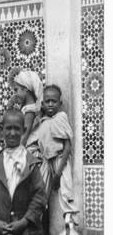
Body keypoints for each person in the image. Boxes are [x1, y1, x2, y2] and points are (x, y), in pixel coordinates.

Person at [33, 84, 79, 224]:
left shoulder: (61, 117)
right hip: (47, 162)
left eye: (54, 101)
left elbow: (67, 146)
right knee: (40, 191)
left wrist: (58, 173)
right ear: (43, 104)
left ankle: (70, 224)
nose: (51, 104)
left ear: (60, 103)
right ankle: (35, 223)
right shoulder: (43, 121)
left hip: (60, 159)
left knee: (66, 191)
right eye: (47, 101)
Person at [13, 70, 43, 147]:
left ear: (26, 88)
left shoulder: (30, 110)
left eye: (16, 90)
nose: (15, 94)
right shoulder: (27, 108)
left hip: (28, 148)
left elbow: (25, 135)